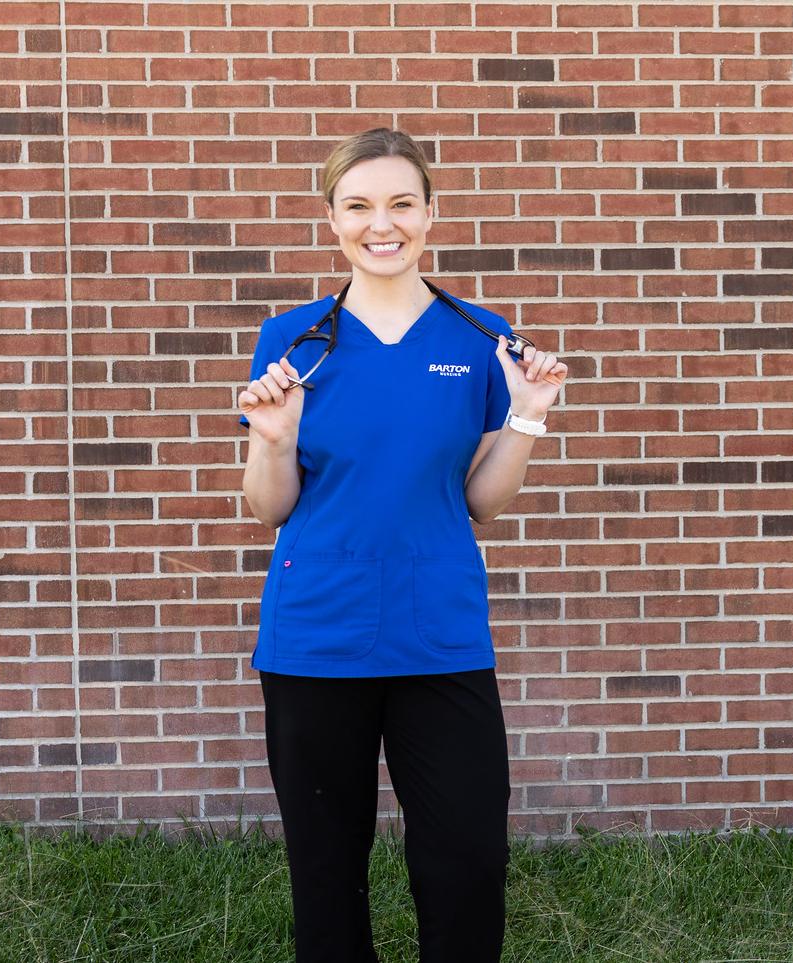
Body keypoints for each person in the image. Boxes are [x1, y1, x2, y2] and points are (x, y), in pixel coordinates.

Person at [234, 127, 567, 963]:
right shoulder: (294, 338)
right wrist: (272, 438)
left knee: (465, 865)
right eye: (358, 206)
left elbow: (482, 502)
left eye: (400, 204)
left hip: (439, 634)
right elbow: (267, 506)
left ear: (430, 212)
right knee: (326, 872)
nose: (381, 225)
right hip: (316, 636)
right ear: (331, 218)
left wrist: (526, 415)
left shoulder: (480, 338)